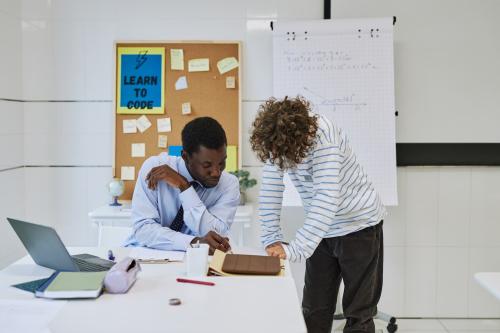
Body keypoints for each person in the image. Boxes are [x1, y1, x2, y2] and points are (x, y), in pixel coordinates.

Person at [250, 96, 386, 333]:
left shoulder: (323, 136)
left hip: (359, 226)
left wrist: (294, 248)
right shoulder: (277, 140)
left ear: (299, 139)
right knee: (314, 309)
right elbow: (272, 187)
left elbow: (326, 197)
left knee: (358, 314)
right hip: (322, 229)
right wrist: (271, 238)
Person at [125, 117, 240, 254]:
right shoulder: (155, 169)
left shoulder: (228, 184)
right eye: (207, 165)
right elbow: (143, 230)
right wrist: (193, 243)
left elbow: (217, 236)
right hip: (144, 254)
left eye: (221, 163)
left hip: (194, 259)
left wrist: (185, 188)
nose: (216, 173)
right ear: (185, 157)